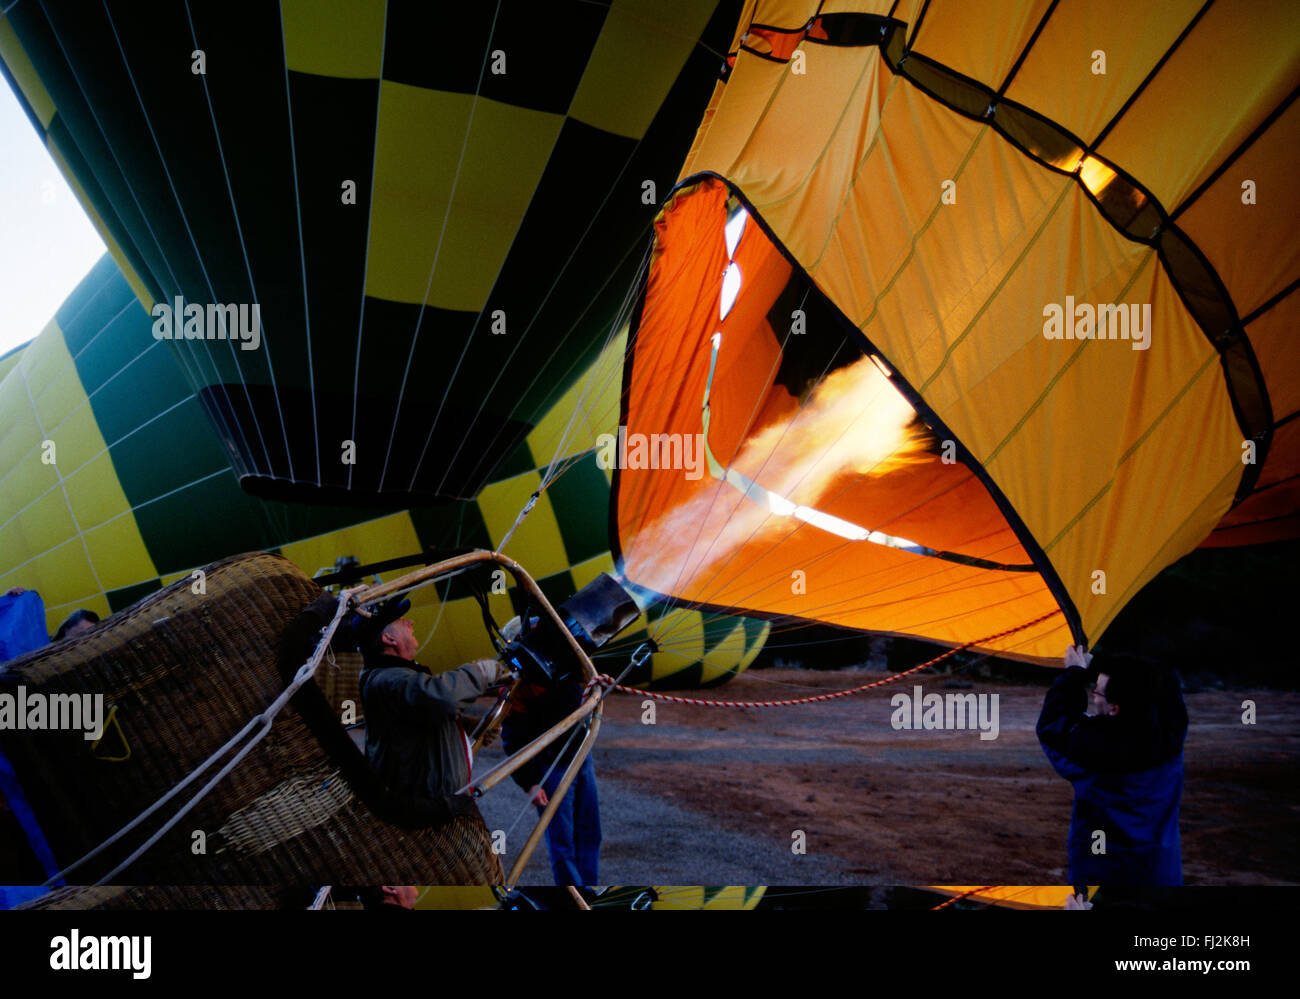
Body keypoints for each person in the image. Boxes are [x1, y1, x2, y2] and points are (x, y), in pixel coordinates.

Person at [1037, 645, 1187, 887]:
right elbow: (1168, 687)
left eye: (1097, 691)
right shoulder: (1170, 738)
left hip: (1102, 877)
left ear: (1114, 709)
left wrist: (1075, 673)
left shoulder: (1093, 754)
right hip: (1160, 872)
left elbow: (1052, 726)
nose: (1094, 696)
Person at [355, 596, 511, 810]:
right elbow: (442, 697)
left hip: (435, 805)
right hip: (423, 812)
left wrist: (464, 726)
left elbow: (412, 721)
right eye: (402, 621)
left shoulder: (390, 676)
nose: (411, 622)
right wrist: (481, 672)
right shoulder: (390, 679)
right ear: (389, 638)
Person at [500, 669, 601, 887]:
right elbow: (512, 737)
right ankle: (572, 896)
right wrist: (530, 782)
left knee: (590, 832)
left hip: (581, 755)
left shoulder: (569, 661)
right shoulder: (520, 686)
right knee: (562, 841)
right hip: (551, 766)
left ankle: (588, 892)